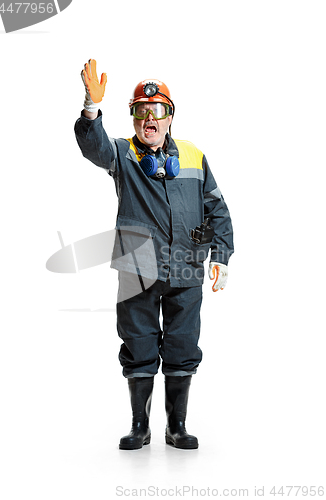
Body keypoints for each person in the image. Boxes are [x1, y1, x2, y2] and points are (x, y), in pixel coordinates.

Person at [74, 59, 234, 450]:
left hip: (186, 271)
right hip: (137, 271)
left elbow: (217, 207)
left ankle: (175, 427)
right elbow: (92, 147)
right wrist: (91, 109)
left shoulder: (194, 156)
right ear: (132, 118)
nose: (150, 118)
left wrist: (221, 256)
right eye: (141, 111)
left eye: (157, 111)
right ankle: (140, 426)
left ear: (169, 116)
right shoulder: (122, 155)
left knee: (182, 347)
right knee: (139, 346)